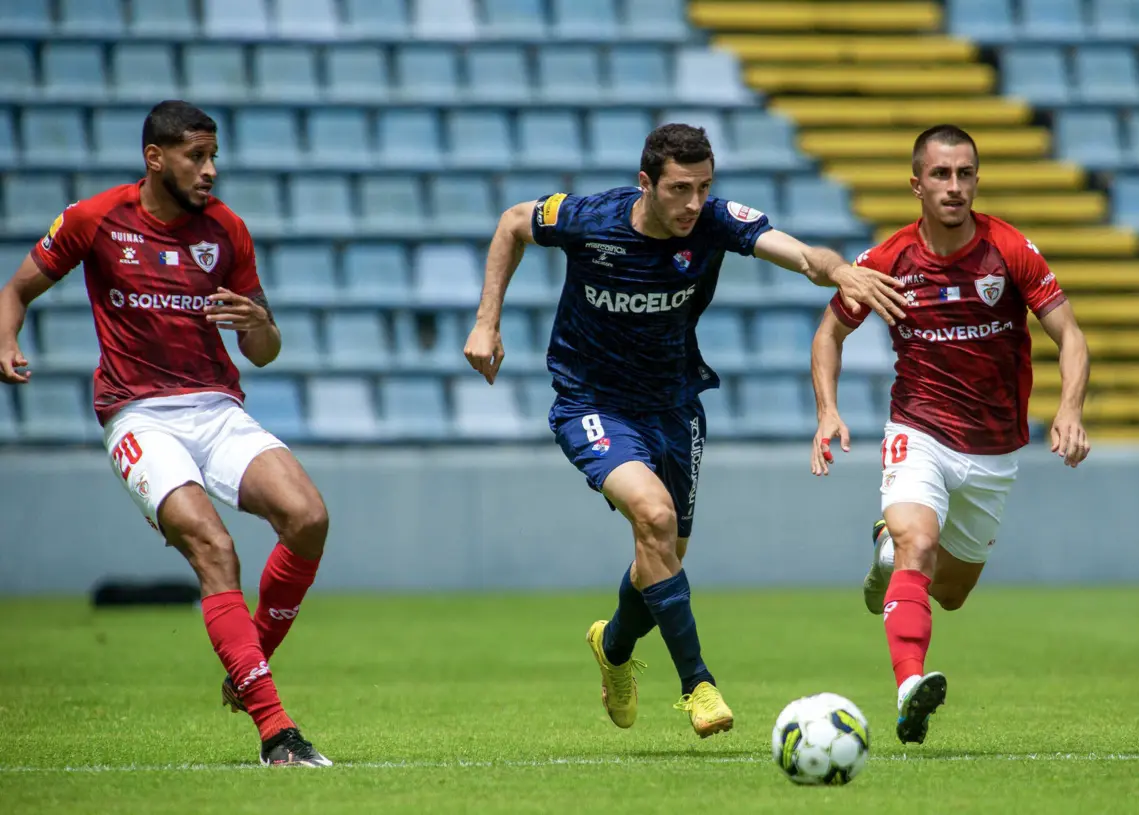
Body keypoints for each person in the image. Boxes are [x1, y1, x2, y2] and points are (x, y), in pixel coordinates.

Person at [464, 123, 907, 738]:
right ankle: (698, 684)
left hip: (674, 405)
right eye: (679, 189)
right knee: (655, 518)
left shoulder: (716, 222)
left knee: (665, 556)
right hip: (591, 403)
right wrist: (487, 323)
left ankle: (613, 647)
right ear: (645, 184)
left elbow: (803, 255)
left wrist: (840, 273)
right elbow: (515, 221)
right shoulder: (590, 219)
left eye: (703, 188)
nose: (693, 204)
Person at [0, 101, 332, 767]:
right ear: (156, 157)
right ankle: (277, 732)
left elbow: (263, 349)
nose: (210, 171)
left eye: (214, 156)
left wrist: (256, 325)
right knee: (214, 549)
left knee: (309, 516)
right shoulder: (96, 219)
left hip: (216, 408)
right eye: (196, 157)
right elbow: (17, 288)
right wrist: (5, 338)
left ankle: (249, 661)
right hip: (138, 414)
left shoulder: (228, 230)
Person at [809, 124, 1091, 745]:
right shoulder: (888, 262)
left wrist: (1069, 409)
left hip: (993, 449)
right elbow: (829, 333)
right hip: (920, 428)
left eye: (965, 174)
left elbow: (1070, 335)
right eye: (941, 174)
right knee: (921, 543)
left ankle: (888, 552)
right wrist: (827, 410)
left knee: (952, 592)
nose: (954, 186)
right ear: (916, 184)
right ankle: (909, 685)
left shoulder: (1009, 250)